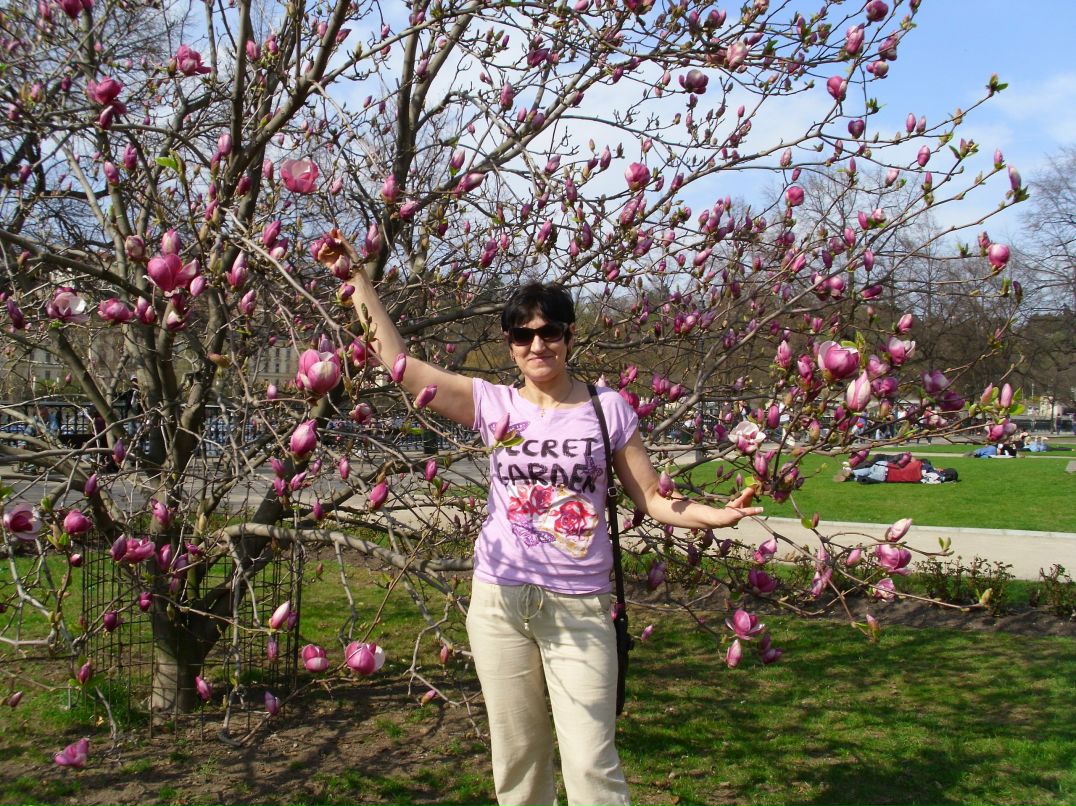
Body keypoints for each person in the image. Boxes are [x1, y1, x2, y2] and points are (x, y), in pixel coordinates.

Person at [319, 234, 762, 806]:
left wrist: (714, 515)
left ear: (569, 335)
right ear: (509, 345)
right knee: (519, 761)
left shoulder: (608, 409)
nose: (537, 344)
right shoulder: (495, 405)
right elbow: (403, 369)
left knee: (590, 762)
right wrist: (356, 280)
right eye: (523, 334)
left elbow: (651, 497)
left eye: (549, 331)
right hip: (500, 602)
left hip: (578, 607)